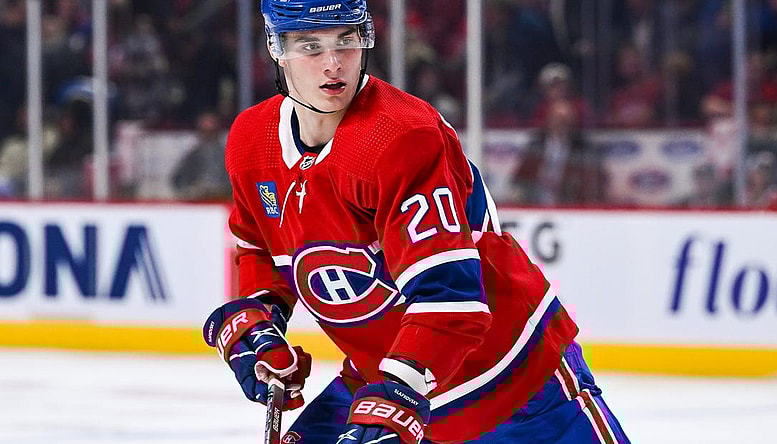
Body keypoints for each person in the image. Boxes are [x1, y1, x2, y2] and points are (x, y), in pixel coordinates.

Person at [202, 1, 630, 443]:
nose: (333, 65)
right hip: (387, 377)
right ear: (276, 48)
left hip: (513, 383)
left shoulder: (399, 136)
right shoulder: (251, 142)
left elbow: (450, 298)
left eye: (345, 41)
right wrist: (262, 320)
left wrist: (398, 394)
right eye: (311, 46)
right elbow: (263, 248)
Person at [170, 111, 232, 201]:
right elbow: (178, 179)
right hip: (198, 201)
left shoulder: (227, 155)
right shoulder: (193, 155)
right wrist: (189, 190)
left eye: (212, 132)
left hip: (223, 199)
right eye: (205, 131)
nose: (209, 135)